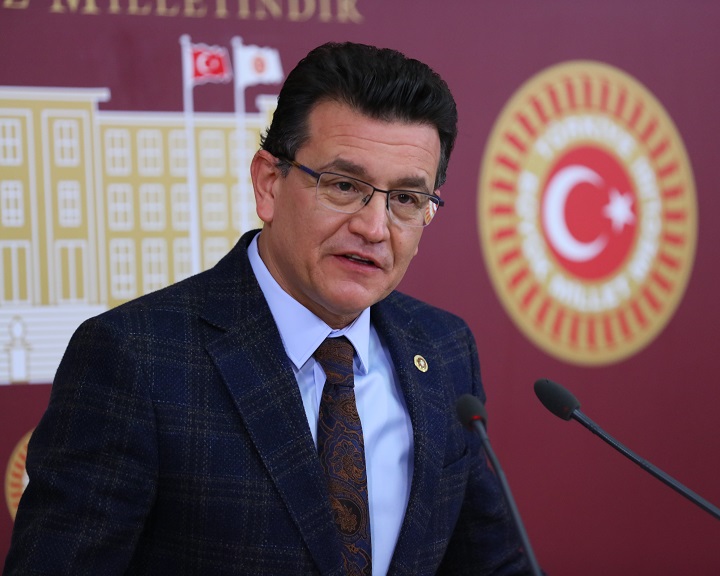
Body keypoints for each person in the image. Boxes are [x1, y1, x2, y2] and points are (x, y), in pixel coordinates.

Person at [3, 42, 532, 575]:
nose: (375, 228)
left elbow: (489, 563)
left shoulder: (443, 348)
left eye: (406, 199)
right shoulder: (135, 360)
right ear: (269, 184)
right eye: (344, 186)